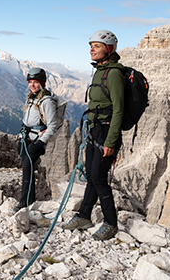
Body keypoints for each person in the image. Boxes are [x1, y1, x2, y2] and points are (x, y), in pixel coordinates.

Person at [63, 30, 125, 241]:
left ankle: (110, 222)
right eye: (91, 45)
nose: (91, 49)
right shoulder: (100, 70)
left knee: (99, 178)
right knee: (91, 174)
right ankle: (84, 215)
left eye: (96, 46)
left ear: (108, 49)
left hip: (107, 131)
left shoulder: (114, 73)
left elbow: (118, 109)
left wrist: (111, 141)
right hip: (95, 129)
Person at [16, 67, 58, 211]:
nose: (32, 85)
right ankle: (30, 200)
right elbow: (28, 120)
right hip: (27, 138)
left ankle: (24, 203)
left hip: (37, 140)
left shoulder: (47, 101)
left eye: (35, 82)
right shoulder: (32, 97)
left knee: (27, 167)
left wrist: (40, 143)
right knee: (27, 168)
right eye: (30, 82)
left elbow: (52, 126)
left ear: (42, 82)